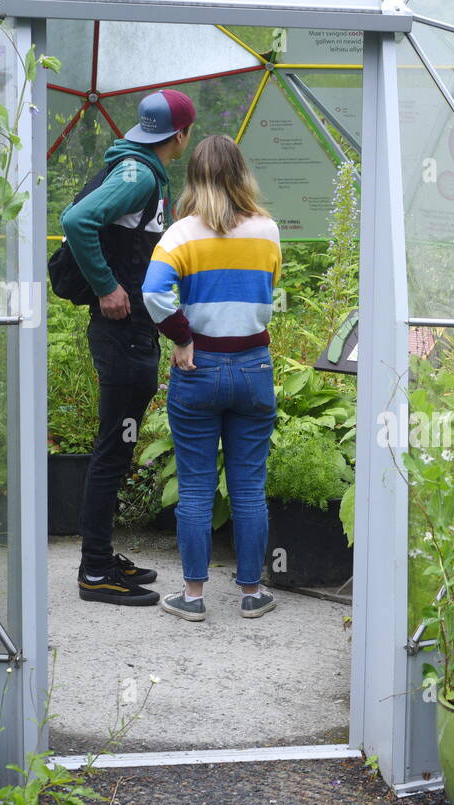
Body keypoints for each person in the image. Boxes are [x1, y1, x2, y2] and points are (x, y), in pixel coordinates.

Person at [61, 89, 195, 606]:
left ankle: (101, 554)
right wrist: (106, 286)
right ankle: (95, 572)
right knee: (111, 451)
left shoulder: (138, 170)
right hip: (122, 331)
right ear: (179, 135)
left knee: (115, 447)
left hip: (131, 331)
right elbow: (76, 223)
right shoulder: (138, 175)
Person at [141, 134, 281, 623]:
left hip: (196, 370)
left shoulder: (179, 234)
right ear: (241, 173)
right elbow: (269, 285)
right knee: (248, 487)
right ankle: (251, 593)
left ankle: (194, 596)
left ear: (194, 177)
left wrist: (182, 336)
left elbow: (153, 294)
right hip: (252, 367)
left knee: (197, 487)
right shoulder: (267, 230)